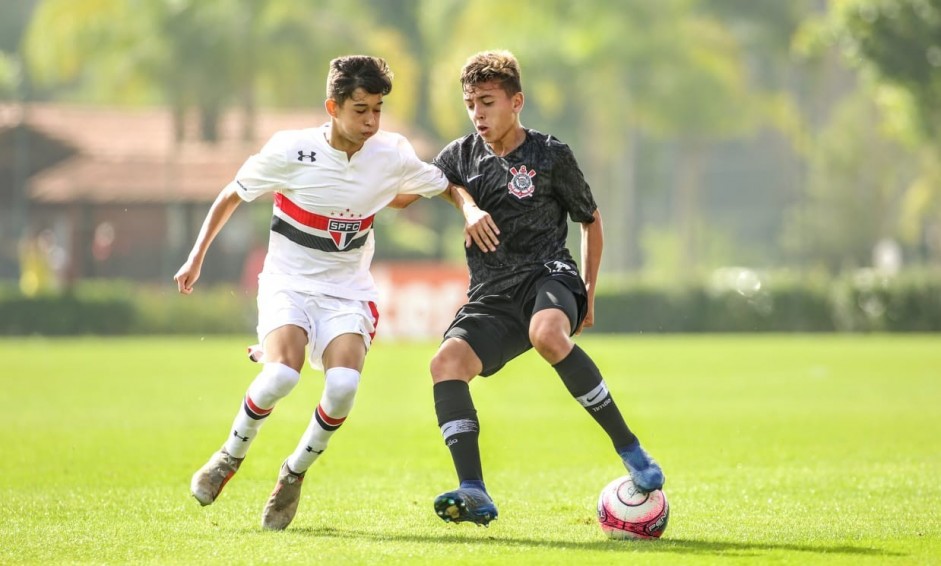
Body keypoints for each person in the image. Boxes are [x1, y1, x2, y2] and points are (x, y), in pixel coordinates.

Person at [174, 55, 474, 531]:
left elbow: (446, 186)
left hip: (347, 292)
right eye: (361, 110)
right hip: (288, 285)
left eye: (377, 109)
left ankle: (292, 474)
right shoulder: (290, 150)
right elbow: (232, 193)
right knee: (281, 378)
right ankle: (228, 458)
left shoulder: (390, 154)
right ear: (331, 107)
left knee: (343, 387)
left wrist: (470, 210)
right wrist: (196, 257)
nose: (372, 121)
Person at [425, 50, 665, 526]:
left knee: (548, 335)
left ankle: (631, 449)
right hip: (491, 292)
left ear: (517, 102)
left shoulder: (551, 154)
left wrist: (589, 293)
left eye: (488, 102)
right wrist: (466, 203)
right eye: (471, 103)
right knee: (445, 363)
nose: (478, 114)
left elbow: (590, 221)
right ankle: (474, 490)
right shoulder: (457, 156)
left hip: (547, 274)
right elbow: (423, 187)